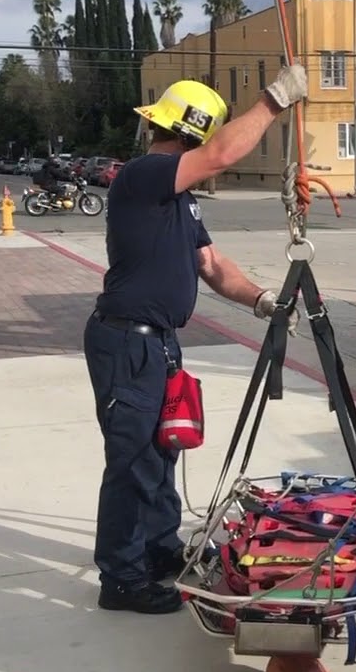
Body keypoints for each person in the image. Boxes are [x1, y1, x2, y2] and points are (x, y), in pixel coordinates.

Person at [83, 65, 309, 615]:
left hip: (156, 345)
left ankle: (159, 552)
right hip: (127, 343)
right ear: (195, 134)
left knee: (161, 455)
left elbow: (210, 265)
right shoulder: (144, 176)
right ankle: (122, 578)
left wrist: (262, 300)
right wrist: (273, 102)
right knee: (133, 460)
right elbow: (221, 157)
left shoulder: (180, 200)